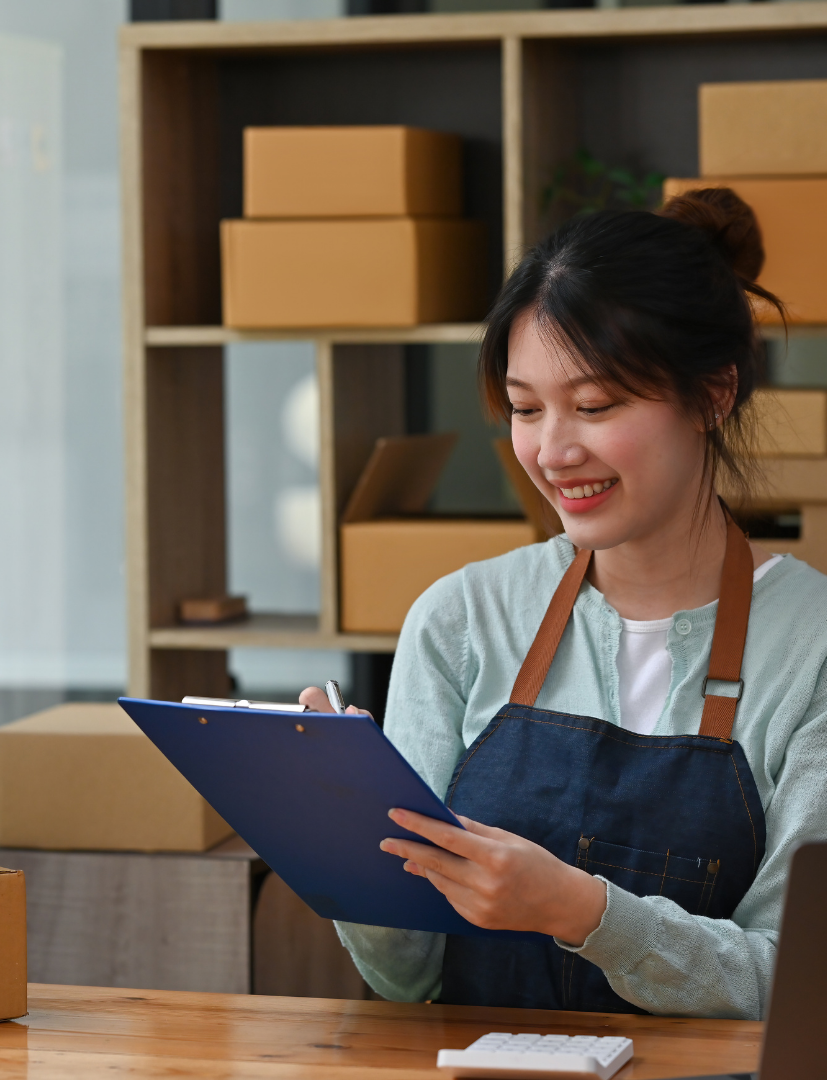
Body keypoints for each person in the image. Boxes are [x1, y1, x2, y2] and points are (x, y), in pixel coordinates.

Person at [300, 188, 827, 1020]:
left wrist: (584, 913)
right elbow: (405, 978)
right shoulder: (462, 620)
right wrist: (340, 826)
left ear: (714, 395)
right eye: (524, 408)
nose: (552, 450)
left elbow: (793, 985)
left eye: (595, 406)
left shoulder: (813, 647)